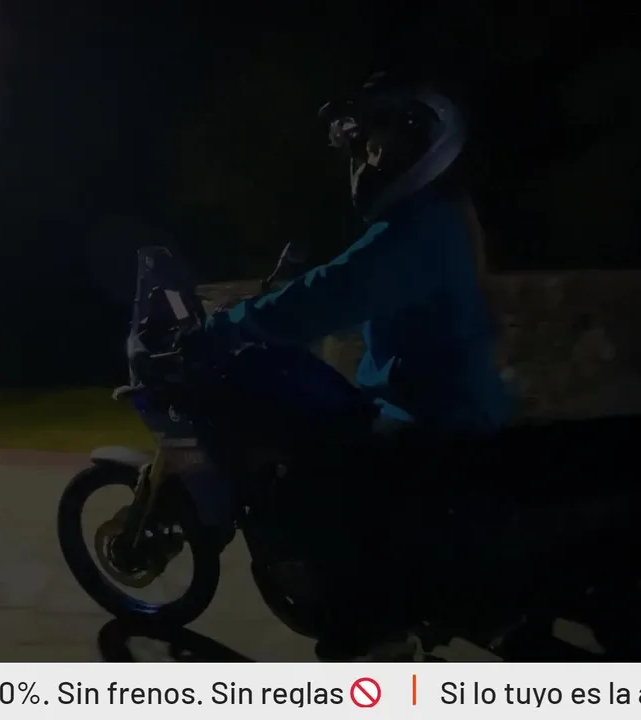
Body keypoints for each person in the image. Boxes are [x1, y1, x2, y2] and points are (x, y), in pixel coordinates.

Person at [199, 72, 514, 659]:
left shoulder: (417, 232)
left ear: (418, 141)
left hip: (436, 416)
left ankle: (377, 637)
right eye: (360, 145)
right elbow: (345, 290)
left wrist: (227, 326)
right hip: (437, 404)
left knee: (313, 482)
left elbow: (332, 292)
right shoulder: (434, 219)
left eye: (374, 142)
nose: (365, 159)